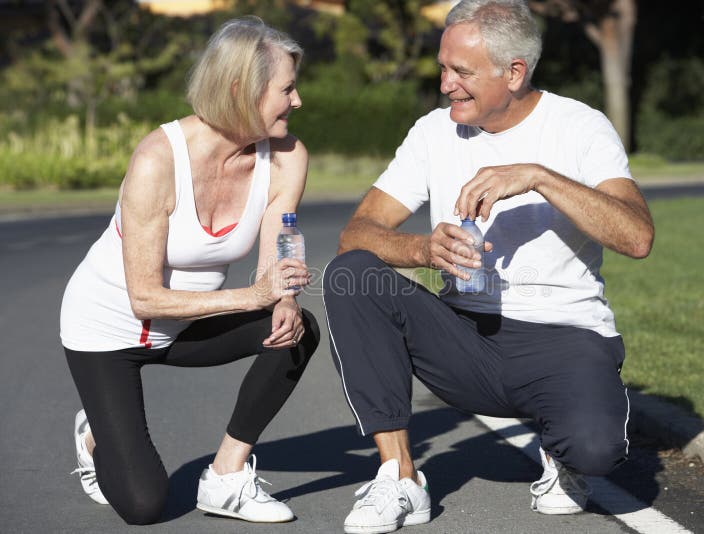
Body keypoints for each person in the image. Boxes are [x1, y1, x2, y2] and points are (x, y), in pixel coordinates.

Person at [322, 0, 655, 532]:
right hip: (465, 338)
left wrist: (539, 177)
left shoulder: (579, 127)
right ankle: (399, 475)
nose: (445, 83)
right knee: (350, 273)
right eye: (443, 67)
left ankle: (562, 451)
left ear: (515, 73)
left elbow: (637, 236)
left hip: (564, 335)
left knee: (595, 450)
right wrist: (423, 250)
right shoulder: (434, 132)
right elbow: (355, 234)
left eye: (462, 72)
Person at [60, 16, 320, 525]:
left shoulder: (287, 158)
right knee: (144, 504)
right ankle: (95, 436)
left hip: (183, 328)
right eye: (287, 89)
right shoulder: (159, 160)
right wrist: (254, 296)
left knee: (295, 331)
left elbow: (279, 247)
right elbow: (146, 300)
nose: (298, 101)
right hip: (107, 333)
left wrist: (283, 296)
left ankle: (226, 477)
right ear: (240, 88)